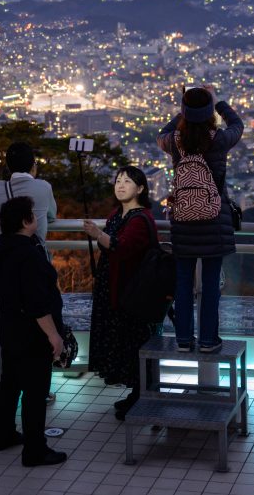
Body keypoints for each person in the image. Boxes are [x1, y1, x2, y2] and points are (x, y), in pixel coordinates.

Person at [0, 196, 67, 468]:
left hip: (9, 329)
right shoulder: (29, 254)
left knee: (9, 383)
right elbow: (37, 304)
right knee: (35, 392)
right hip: (33, 335)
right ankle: (35, 450)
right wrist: (53, 335)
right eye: (34, 216)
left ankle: (2, 434)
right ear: (27, 221)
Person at [157, 84, 243, 354]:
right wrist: (218, 103)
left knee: (183, 283)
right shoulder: (217, 140)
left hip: (183, 222)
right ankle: (208, 340)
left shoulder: (175, 142)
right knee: (210, 286)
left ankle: (183, 339)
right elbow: (238, 125)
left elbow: (163, 133)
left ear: (185, 111)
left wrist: (182, 109)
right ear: (208, 112)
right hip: (214, 220)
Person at [84, 167, 157, 420]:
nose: (121, 185)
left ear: (141, 188)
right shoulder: (117, 214)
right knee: (125, 344)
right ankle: (136, 394)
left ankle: (141, 395)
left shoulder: (139, 219)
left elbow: (121, 247)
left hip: (132, 293)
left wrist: (98, 234)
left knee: (133, 342)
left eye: (128, 181)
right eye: (118, 181)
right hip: (114, 288)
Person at [0, 141, 58, 399]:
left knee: (6, 332)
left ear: (7, 165)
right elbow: (51, 215)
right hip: (33, 263)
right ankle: (38, 388)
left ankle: (2, 388)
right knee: (37, 325)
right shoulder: (43, 187)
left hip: (2, 267)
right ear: (33, 165)